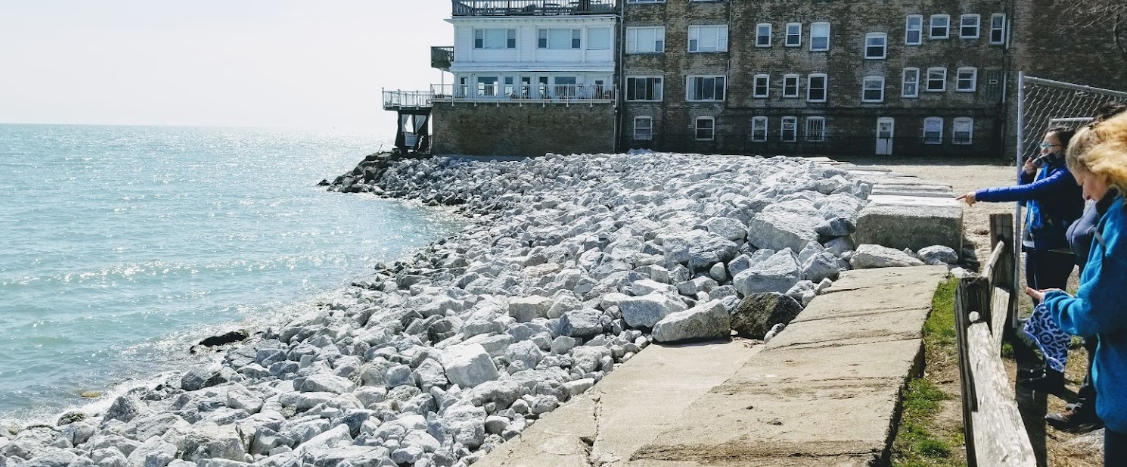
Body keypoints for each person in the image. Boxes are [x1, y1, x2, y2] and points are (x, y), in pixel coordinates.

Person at [1027, 111, 1127, 465]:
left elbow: (1094, 314)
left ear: (1105, 170)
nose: (1084, 192)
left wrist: (1053, 299)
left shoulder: (1119, 222)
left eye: (1083, 180)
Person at [957, 126, 1084, 393]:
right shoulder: (1049, 169)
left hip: (1055, 250)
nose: (1043, 150)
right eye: (1042, 145)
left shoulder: (1065, 173)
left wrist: (981, 194)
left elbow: (1028, 192)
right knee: (1041, 307)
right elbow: (1029, 197)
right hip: (1037, 245)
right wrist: (1026, 174)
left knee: (1051, 308)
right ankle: (1049, 369)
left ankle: (1055, 376)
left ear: (1065, 149)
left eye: (1049, 146)